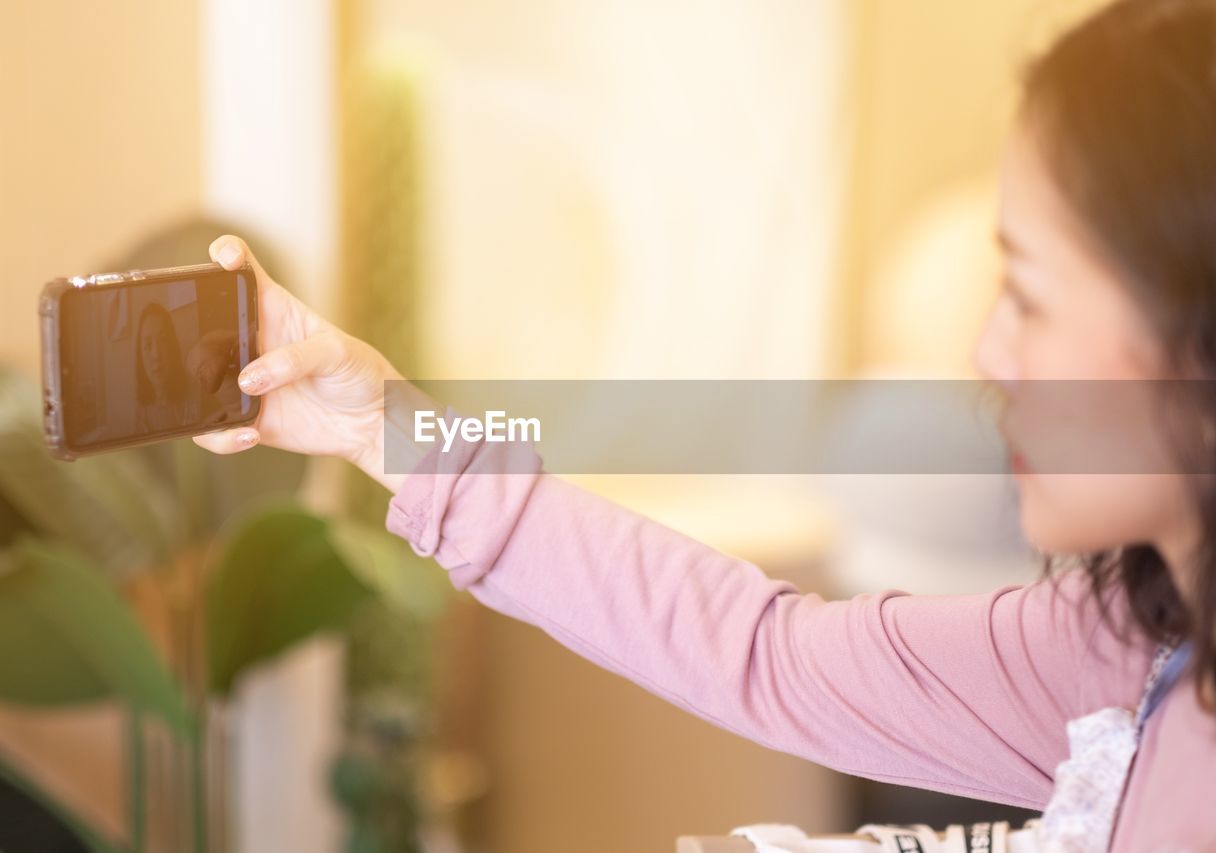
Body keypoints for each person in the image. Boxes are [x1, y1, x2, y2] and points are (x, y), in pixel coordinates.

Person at [193, 0, 1216, 848]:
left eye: (1028, 298)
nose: (987, 354)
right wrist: (380, 425)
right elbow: (770, 656)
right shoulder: (1132, 646)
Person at [134, 301, 199, 433]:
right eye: (147, 345)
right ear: (140, 355)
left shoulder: (194, 400)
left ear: (172, 346)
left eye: (163, 340)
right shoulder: (138, 417)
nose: (156, 355)